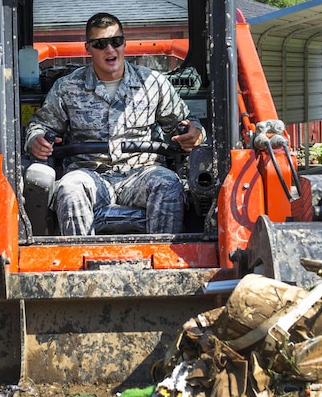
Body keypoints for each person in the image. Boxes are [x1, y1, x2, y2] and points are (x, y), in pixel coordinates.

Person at [24, 12, 204, 235]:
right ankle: (79, 264)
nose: (110, 50)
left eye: (115, 41)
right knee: (69, 188)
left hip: (141, 173)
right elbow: (41, 125)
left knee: (168, 184)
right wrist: (36, 140)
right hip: (89, 173)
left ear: (124, 43)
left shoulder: (152, 83)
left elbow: (185, 124)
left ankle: (163, 264)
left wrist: (194, 134)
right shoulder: (67, 87)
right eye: (100, 44)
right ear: (88, 48)